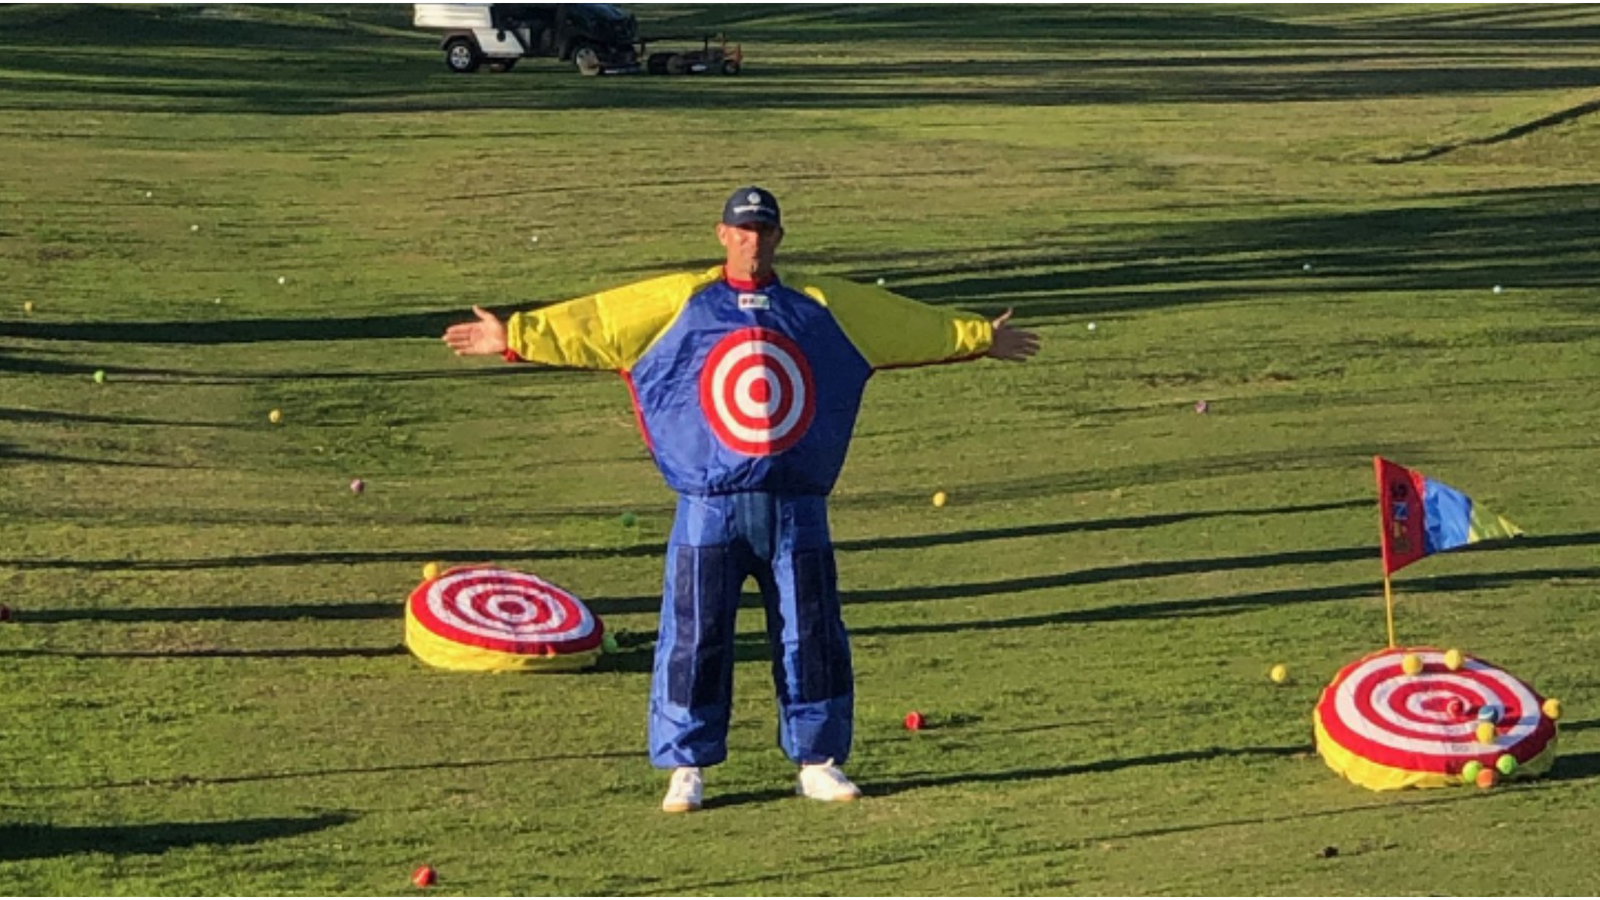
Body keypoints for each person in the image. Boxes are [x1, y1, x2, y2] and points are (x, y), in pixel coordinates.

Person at [443, 186, 1041, 813]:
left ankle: (818, 760)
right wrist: (515, 335)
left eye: (763, 231)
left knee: (811, 630)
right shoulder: (679, 300)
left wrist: (976, 336)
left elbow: (899, 322)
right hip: (709, 503)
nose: (753, 242)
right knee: (694, 633)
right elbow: (599, 321)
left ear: (778, 237)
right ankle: (687, 765)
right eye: (743, 230)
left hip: (796, 505)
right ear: (723, 234)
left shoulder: (822, 304)